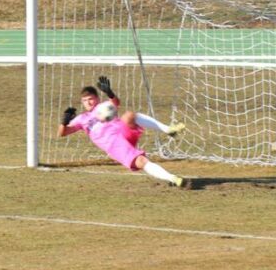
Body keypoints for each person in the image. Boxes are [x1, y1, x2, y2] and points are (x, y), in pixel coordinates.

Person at [58, 76, 190, 189]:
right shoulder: (81, 119)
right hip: (114, 145)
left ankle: (168, 129)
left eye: (90, 98)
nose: (88, 102)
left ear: (97, 98)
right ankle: (173, 179)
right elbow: (62, 133)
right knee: (142, 161)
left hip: (122, 130)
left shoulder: (102, 106)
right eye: (85, 100)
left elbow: (115, 102)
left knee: (129, 115)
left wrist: (110, 93)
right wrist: (63, 122)